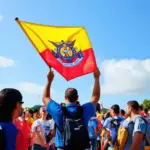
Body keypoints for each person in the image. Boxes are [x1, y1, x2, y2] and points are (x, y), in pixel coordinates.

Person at [42, 68, 101, 150]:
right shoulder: (84, 110)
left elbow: (45, 98)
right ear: (77, 97)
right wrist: (96, 78)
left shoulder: (58, 111)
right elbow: (95, 97)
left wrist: (49, 80)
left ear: (65, 97)